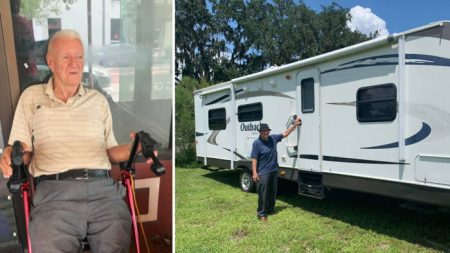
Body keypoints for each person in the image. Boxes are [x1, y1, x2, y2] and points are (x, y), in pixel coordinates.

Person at [0, 30, 146, 252]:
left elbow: (110, 151)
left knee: (116, 244)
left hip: (104, 192)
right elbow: (24, 151)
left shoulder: (97, 101)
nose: (75, 64)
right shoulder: (32, 97)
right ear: (50, 62)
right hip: (54, 195)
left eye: (79, 57)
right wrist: (12, 154)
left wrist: (133, 148)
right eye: (66, 57)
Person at [251, 118, 302, 221]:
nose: (266, 132)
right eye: (263, 131)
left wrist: (295, 125)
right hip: (263, 172)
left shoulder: (273, 138)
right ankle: (261, 213)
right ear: (260, 132)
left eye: (267, 131)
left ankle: (270, 209)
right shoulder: (257, 143)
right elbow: (254, 159)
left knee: (272, 192)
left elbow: (285, 133)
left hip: (274, 170)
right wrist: (254, 173)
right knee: (263, 193)